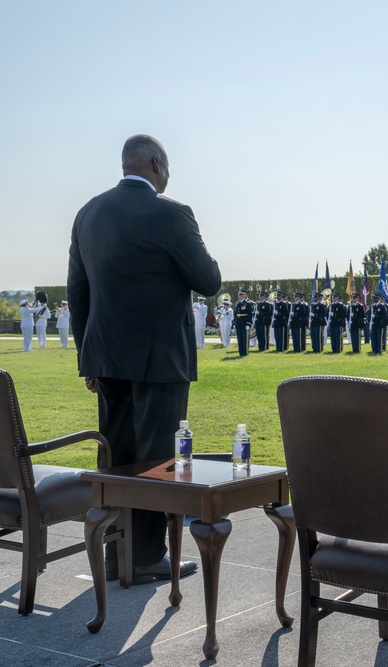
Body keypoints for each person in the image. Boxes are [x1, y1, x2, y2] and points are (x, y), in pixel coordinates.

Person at [67, 134, 218, 582]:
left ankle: (117, 557)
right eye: (167, 167)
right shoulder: (173, 213)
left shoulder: (88, 213)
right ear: (156, 163)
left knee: (117, 458)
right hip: (159, 360)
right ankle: (148, 557)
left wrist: (86, 356)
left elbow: (78, 291)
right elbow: (208, 279)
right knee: (156, 460)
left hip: (107, 358)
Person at [233, 290, 254, 357]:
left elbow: (249, 314)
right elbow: (235, 314)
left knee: (245, 339)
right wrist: (234, 323)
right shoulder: (237, 304)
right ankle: (241, 352)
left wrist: (248, 324)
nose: (239, 296)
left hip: (244, 323)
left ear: (243, 296)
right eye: (239, 295)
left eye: (240, 295)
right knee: (240, 339)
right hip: (238, 323)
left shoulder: (247, 304)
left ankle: (245, 352)